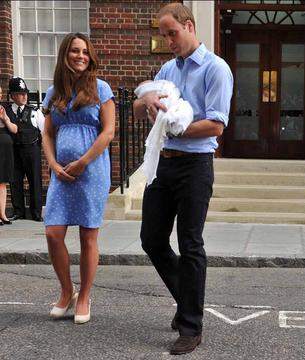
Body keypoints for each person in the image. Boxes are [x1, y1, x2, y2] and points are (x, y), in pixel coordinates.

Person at [133, 3, 233, 355]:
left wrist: (175, 128)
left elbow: (216, 124)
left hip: (195, 165)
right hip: (163, 164)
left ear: (189, 26)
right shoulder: (166, 69)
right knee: (151, 239)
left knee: (191, 243)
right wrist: (149, 104)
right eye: (163, 36)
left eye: (171, 33)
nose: (168, 41)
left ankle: (190, 325)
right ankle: (188, 301)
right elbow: (144, 106)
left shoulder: (215, 68)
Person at [41, 33, 115, 324]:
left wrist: (83, 162)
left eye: (85, 51)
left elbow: (108, 132)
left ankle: (84, 296)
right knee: (53, 233)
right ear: (65, 55)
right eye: (74, 50)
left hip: (91, 170)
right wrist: (52, 163)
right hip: (61, 171)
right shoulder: (54, 92)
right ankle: (66, 290)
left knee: (88, 235)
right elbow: (47, 132)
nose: (80, 55)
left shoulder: (101, 88)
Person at [4, 77, 45, 221]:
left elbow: (45, 132)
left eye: (25, 93)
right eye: (21, 93)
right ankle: (18, 211)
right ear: (13, 95)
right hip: (14, 151)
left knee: (35, 181)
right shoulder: (6, 111)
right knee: (15, 181)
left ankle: (36, 212)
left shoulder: (34, 111)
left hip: (31, 150)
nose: (24, 96)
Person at [0, 86, 18, 225]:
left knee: (3, 182)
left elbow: (15, 129)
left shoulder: (5, 109)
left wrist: (5, 119)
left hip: (5, 149)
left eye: (0, 93)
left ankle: (3, 214)